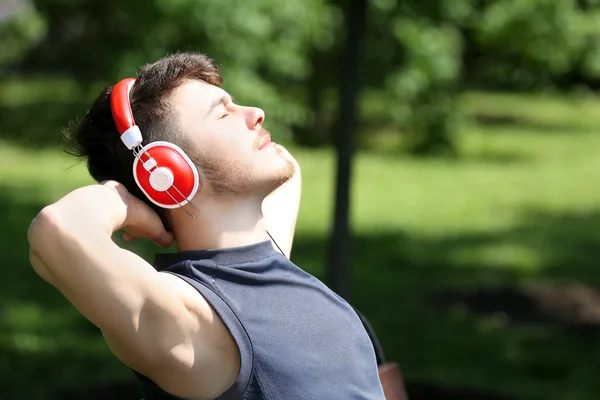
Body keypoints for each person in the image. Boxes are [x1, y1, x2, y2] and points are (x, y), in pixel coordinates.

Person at [27, 52, 386, 400]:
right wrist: (125, 199)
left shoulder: (266, 259)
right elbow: (59, 229)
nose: (256, 113)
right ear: (166, 168)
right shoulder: (197, 322)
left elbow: (287, 169)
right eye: (222, 114)